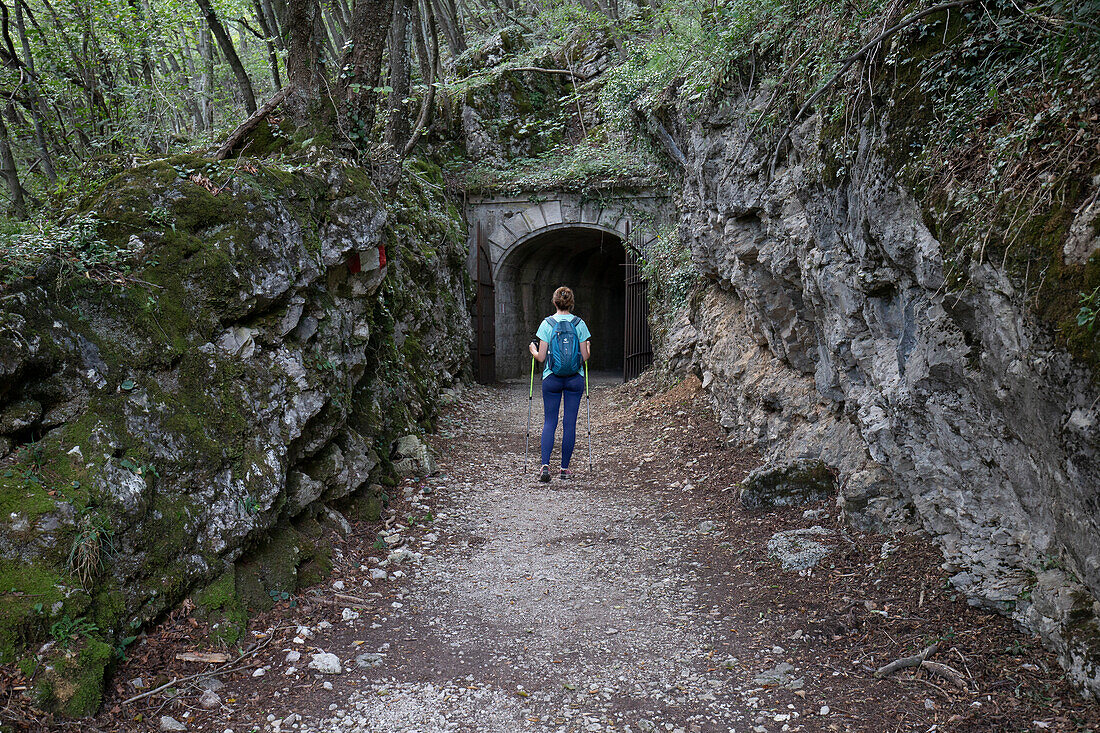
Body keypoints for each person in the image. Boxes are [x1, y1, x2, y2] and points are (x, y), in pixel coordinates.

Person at [528, 286, 591, 482]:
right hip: (574, 379)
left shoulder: (546, 324)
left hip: (552, 378)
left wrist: (532, 350)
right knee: (569, 423)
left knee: (550, 421)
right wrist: (587, 347)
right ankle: (564, 470)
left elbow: (541, 357)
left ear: (554, 302)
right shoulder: (580, 324)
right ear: (571, 303)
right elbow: (585, 357)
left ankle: (545, 466)